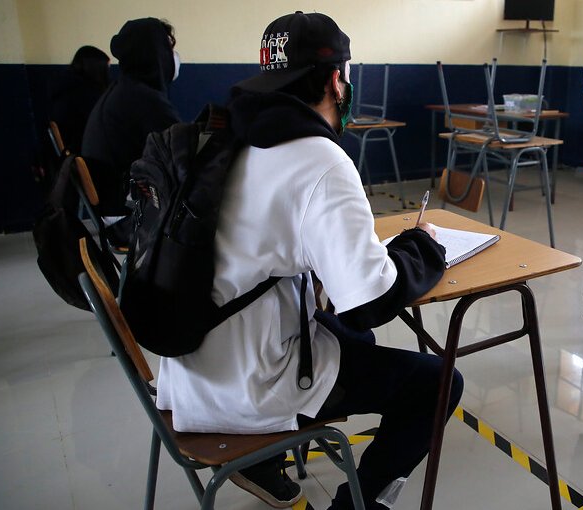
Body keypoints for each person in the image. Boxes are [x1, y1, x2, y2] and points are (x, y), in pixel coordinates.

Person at [153, 12, 463, 510]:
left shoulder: (227, 134)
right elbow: (368, 301)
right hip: (246, 384)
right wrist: (421, 246)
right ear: (336, 80)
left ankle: (266, 460)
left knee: (352, 339)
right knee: (439, 382)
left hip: (188, 367)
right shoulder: (319, 159)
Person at [82, 17, 181, 220]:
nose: (173, 55)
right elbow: (183, 151)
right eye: (167, 47)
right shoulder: (142, 99)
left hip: (112, 205)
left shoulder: (123, 90)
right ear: (154, 52)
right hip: (129, 215)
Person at [48, 45, 110, 155]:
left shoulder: (64, 88)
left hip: (71, 156)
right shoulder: (89, 96)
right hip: (85, 154)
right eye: (105, 69)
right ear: (97, 70)